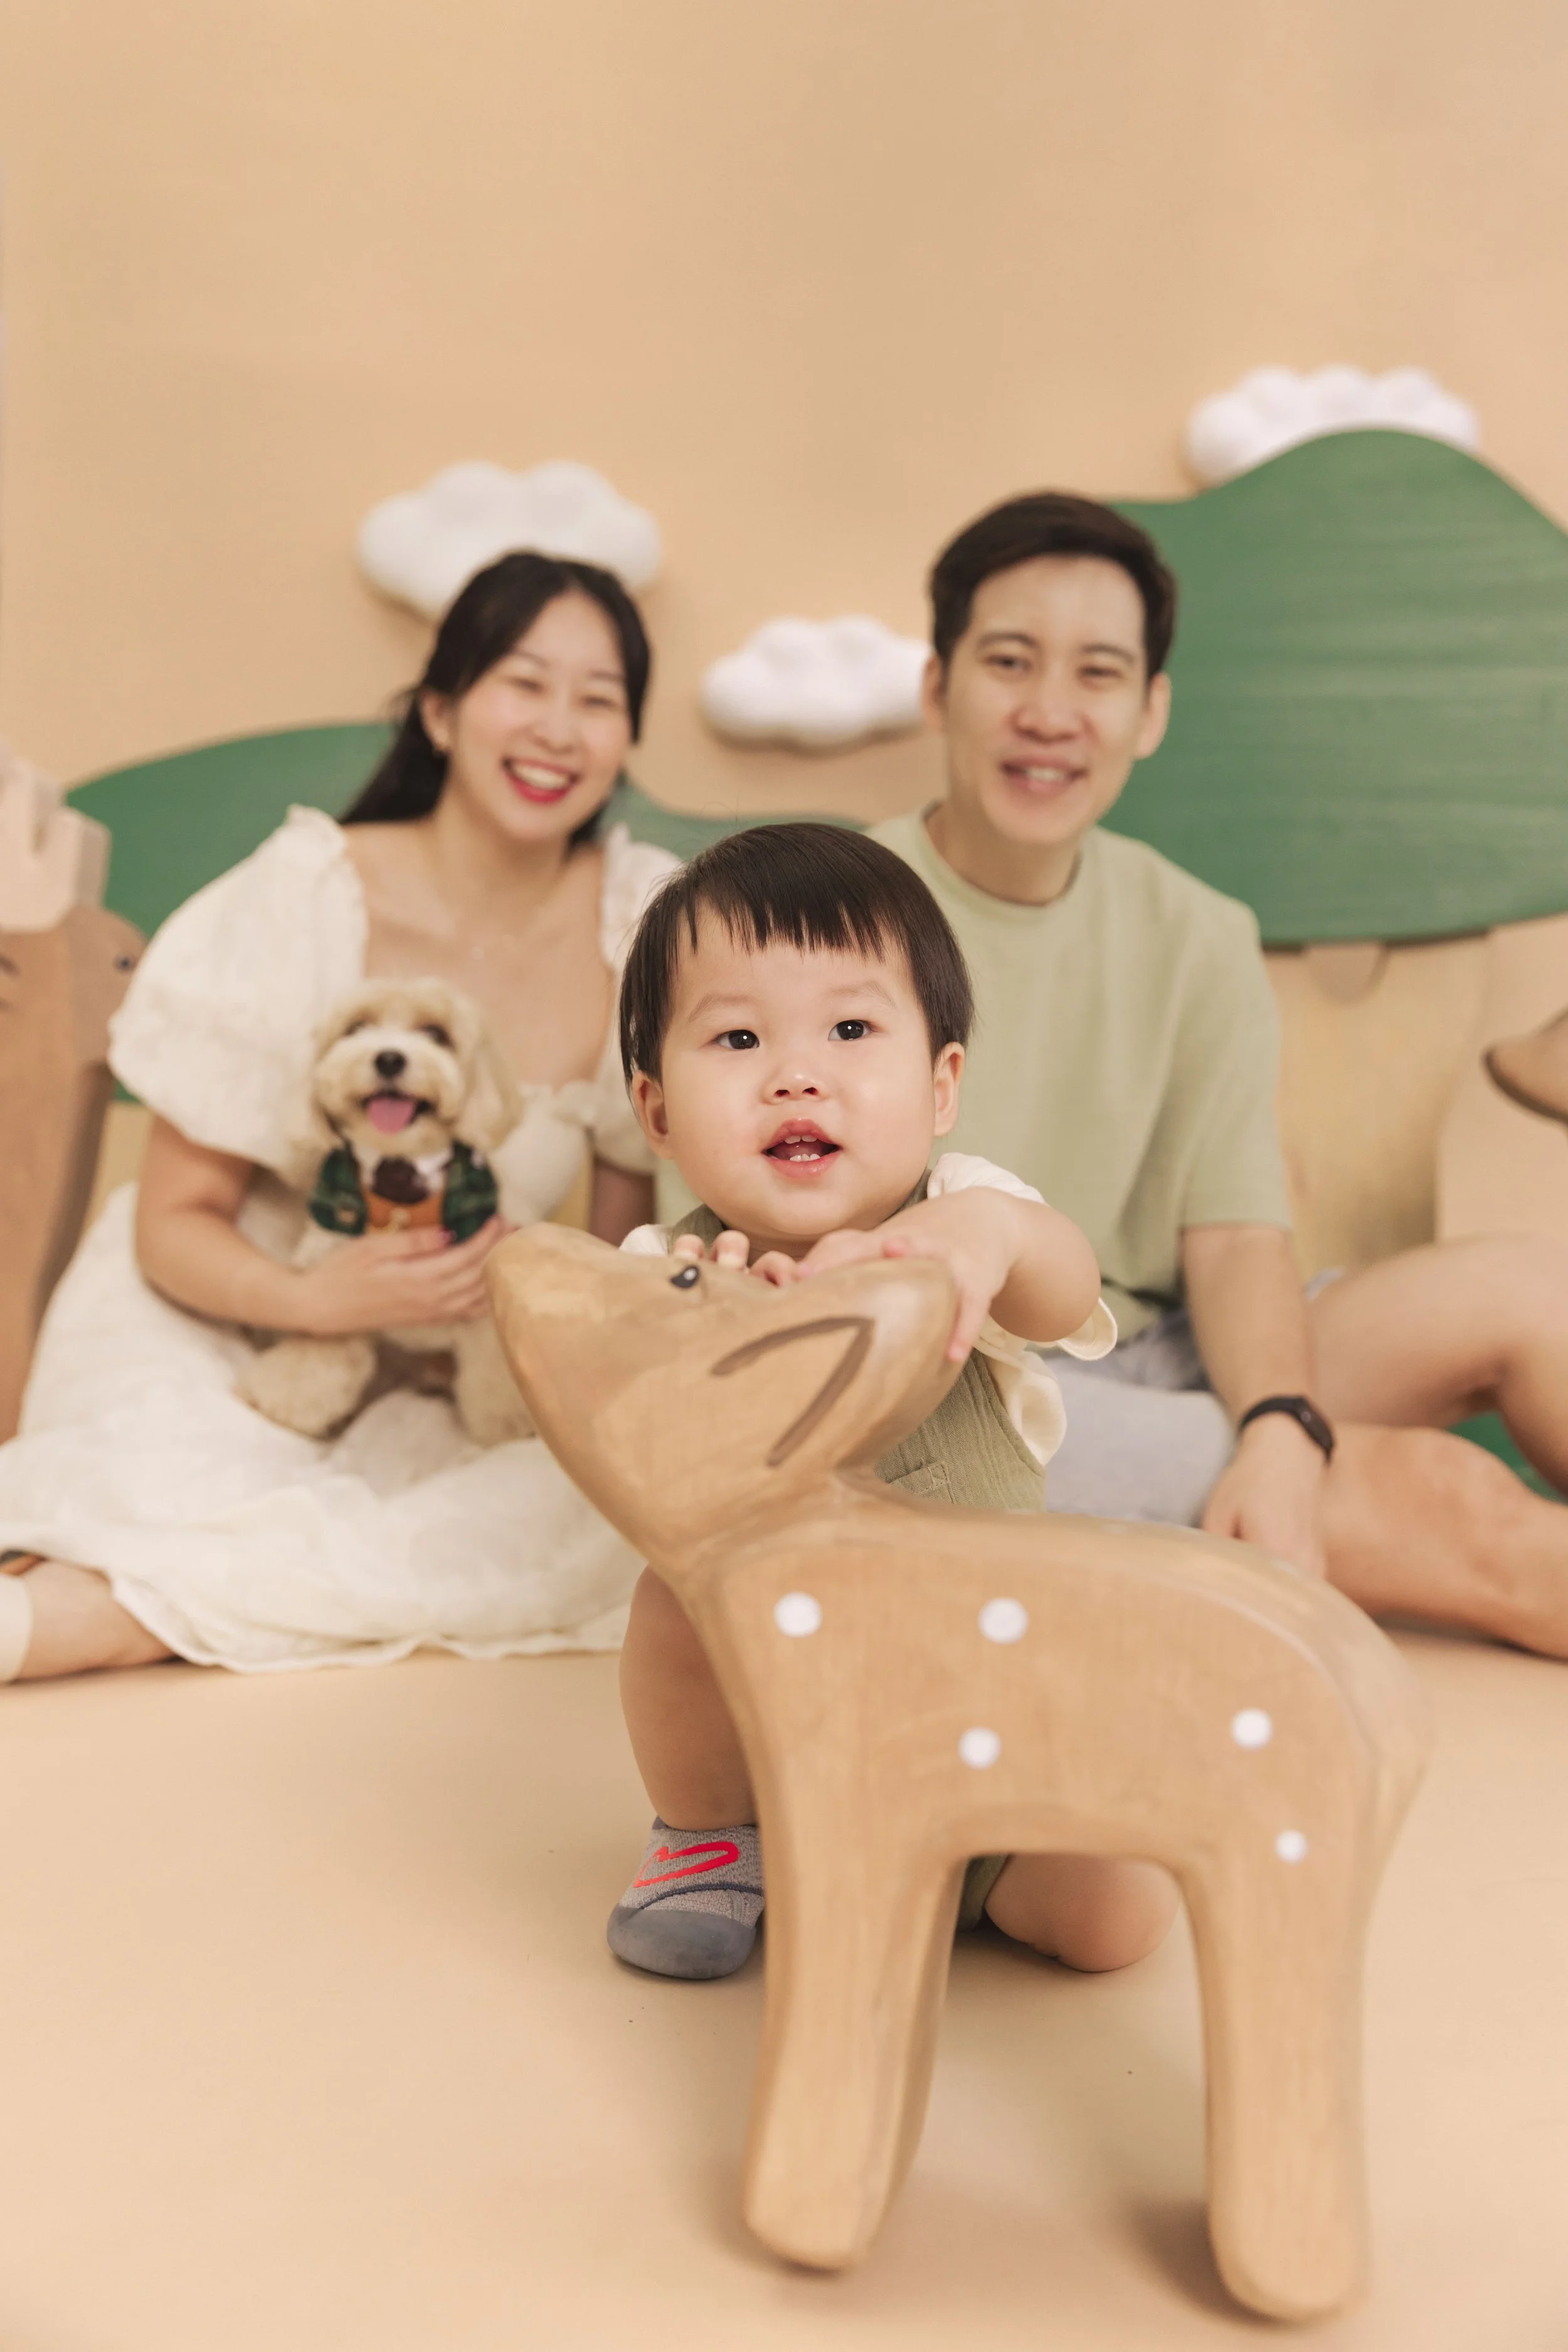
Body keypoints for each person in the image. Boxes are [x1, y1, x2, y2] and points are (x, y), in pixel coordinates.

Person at [869, 492, 1568, 1658]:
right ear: (939, 687)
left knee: (1540, 1294)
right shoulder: (826, 916)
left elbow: (1238, 1239)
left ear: (1149, 711)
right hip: (953, 1392)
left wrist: (1282, 1421)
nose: (1050, 712)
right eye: (1009, 661)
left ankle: (1235, 1447)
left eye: (1098, 672)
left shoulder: (1197, 930)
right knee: (1441, 1501)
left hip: (1160, 1343)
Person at [0, 552, 679, 1681]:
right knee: (176, 1479)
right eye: (524, 682)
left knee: (593, 1518)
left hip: (465, 1377)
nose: (559, 729)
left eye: (598, 700)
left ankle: (77, 1615)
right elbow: (176, 1220)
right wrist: (318, 1298)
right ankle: (57, 1617)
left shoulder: (641, 920)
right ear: (441, 710)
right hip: (225, 1320)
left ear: (626, 739)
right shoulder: (304, 891)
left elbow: (614, 1261)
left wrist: (519, 1300)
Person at [601, 821, 1179, 1982]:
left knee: (1120, 1917)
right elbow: (629, 1452)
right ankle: (708, 1842)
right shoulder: (671, 1267)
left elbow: (1066, 1293)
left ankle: (986, 1874)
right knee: (673, 1602)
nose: (796, 1074)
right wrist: (707, 1342)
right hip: (782, 1754)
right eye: (738, 1037)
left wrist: (991, 1237)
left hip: (989, 1732)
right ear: (656, 1110)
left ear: (942, 1083)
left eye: (852, 1030)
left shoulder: (964, 1213)